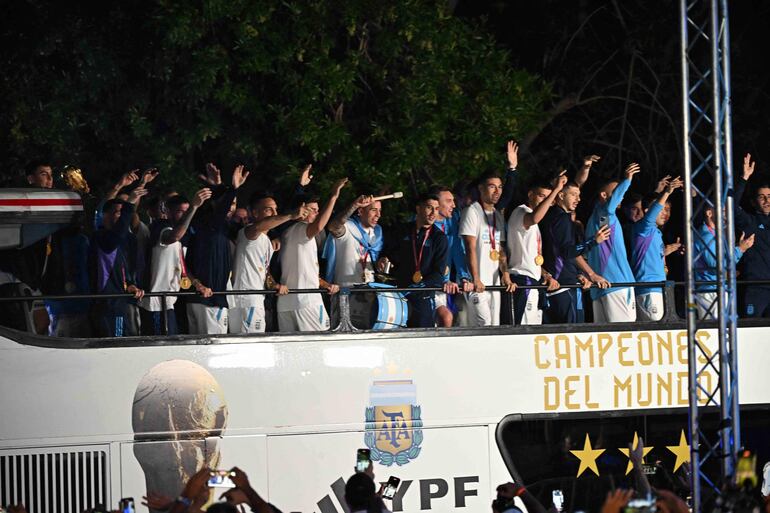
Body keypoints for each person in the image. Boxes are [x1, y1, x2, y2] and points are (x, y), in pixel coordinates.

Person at [185, 163, 250, 334]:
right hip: (210, 300)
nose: (230, 207)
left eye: (234, 203)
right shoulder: (211, 224)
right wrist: (233, 188)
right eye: (228, 203)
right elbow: (220, 209)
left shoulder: (213, 227)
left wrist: (217, 186)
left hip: (199, 298)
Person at [277, 177, 347, 332]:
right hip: (307, 301)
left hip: (285, 303)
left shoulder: (286, 231)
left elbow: (305, 271)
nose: (317, 213)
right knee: (320, 346)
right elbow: (320, 225)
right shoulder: (302, 229)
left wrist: (326, 284)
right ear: (302, 209)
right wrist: (334, 196)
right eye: (314, 210)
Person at [230, 193, 307, 333]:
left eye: (275, 209)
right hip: (246, 300)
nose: (274, 213)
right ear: (255, 213)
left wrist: (274, 284)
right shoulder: (248, 232)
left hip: (256, 299)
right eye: (268, 209)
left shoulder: (267, 240)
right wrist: (290, 216)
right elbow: (258, 227)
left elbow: (263, 271)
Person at [139, 189, 211, 335]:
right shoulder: (161, 228)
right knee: (159, 348)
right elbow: (174, 236)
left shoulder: (181, 235)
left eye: (187, 211)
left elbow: (181, 265)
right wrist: (194, 207)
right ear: (168, 212)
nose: (185, 215)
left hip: (169, 302)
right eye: (180, 211)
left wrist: (197, 284)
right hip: (156, 303)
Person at [541, 182, 610, 323]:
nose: (578, 199)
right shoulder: (562, 218)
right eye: (573, 195)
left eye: (579, 195)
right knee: (573, 334)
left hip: (555, 284)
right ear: (561, 195)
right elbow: (568, 252)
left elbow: (559, 252)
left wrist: (580, 274)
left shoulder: (548, 215)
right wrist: (593, 241)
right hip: (564, 286)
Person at [506, 174, 566, 325]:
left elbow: (531, 256)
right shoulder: (521, 212)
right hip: (522, 281)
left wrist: (545, 274)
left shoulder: (535, 224)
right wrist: (557, 189)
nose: (544, 201)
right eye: (541, 196)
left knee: (534, 332)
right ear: (530, 195)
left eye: (547, 198)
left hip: (534, 281)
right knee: (523, 333)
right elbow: (534, 218)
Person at [584, 163, 642, 322]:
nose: (621, 196)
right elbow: (610, 206)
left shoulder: (597, 218)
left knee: (607, 339)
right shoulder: (604, 214)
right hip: (617, 285)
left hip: (602, 287)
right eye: (616, 192)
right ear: (604, 195)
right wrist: (627, 180)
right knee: (624, 335)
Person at [382, 193, 449, 327]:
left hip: (422, 298)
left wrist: (418, 287)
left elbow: (438, 273)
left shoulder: (439, 238)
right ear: (418, 209)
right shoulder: (402, 231)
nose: (433, 213)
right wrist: (384, 259)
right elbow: (390, 254)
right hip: (399, 295)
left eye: (436, 209)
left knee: (421, 340)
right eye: (429, 208)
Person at [460, 171, 516, 327]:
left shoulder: (498, 215)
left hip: (494, 282)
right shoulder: (472, 211)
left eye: (499, 187)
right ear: (481, 188)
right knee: (483, 322)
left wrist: (505, 274)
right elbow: (470, 247)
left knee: (494, 325)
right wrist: (476, 278)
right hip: (475, 281)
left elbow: (500, 249)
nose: (497, 191)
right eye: (492, 187)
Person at [91, 188, 147, 336]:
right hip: (107, 304)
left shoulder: (122, 241)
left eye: (123, 213)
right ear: (105, 216)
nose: (122, 217)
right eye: (118, 212)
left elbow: (120, 271)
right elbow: (118, 233)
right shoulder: (102, 238)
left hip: (119, 301)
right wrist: (129, 204)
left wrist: (130, 285)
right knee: (116, 345)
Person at [630, 177, 683, 321]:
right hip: (649, 289)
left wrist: (665, 252)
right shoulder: (644, 227)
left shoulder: (655, 232)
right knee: (656, 330)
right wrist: (666, 192)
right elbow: (651, 214)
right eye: (662, 209)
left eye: (668, 209)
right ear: (648, 211)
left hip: (657, 288)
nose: (664, 213)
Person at [694, 205, 754, 319]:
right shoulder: (706, 235)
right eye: (722, 211)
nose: (725, 215)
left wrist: (737, 248)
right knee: (716, 331)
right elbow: (715, 264)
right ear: (709, 213)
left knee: (723, 330)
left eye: (726, 211)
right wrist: (740, 249)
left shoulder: (714, 233)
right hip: (711, 291)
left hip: (716, 289)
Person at [428, 184, 473, 327]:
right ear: (436, 203)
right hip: (429, 283)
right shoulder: (422, 224)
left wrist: (464, 276)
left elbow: (457, 251)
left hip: (447, 283)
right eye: (448, 201)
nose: (453, 205)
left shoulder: (452, 221)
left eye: (453, 200)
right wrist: (440, 280)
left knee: (459, 318)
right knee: (443, 318)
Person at [734, 153, 770, 317]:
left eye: (769, 196)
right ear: (754, 201)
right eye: (761, 197)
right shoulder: (750, 221)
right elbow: (731, 207)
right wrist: (744, 178)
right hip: (756, 288)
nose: (766, 200)